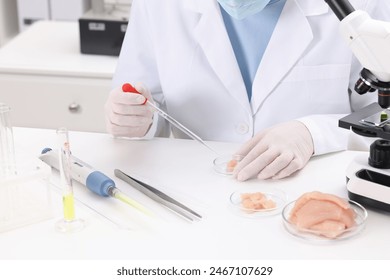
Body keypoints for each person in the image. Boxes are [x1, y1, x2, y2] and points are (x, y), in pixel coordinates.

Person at [105, 0, 390, 181]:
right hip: (197, 190)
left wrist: (313, 134)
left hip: (316, 196)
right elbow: (146, 101)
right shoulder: (159, 6)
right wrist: (137, 119)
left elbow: (384, 114)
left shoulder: (367, 5)